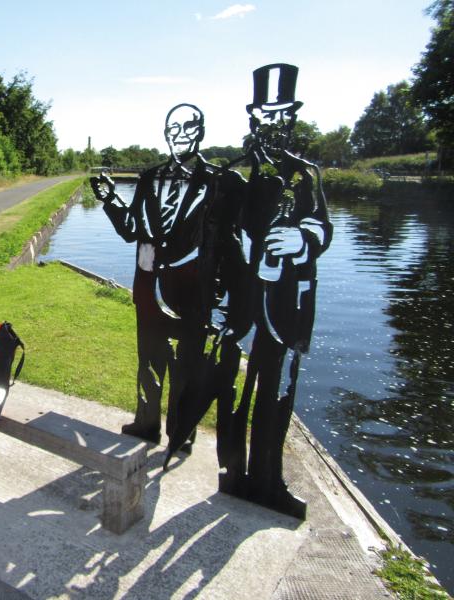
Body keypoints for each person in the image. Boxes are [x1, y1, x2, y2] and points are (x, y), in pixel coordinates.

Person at [219, 63, 332, 518]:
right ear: (253, 118)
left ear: (293, 118)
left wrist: (303, 239)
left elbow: (323, 227)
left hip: (286, 306)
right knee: (234, 388)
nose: (273, 124)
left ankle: (270, 477)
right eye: (266, 115)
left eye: (282, 115)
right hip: (243, 301)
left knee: (278, 393)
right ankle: (234, 471)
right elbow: (221, 235)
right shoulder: (236, 175)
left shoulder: (306, 175)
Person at [90, 104, 225, 450]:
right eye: (173, 129)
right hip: (148, 285)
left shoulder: (215, 181)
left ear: (201, 132)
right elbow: (133, 229)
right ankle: (146, 422)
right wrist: (111, 201)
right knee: (148, 358)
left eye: (188, 128)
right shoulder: (149, 178)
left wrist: (220, 294)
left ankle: (181, 432)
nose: (179, 136)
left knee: (186, 367)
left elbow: (222, 240)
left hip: (191, 288)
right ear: (165, 134)